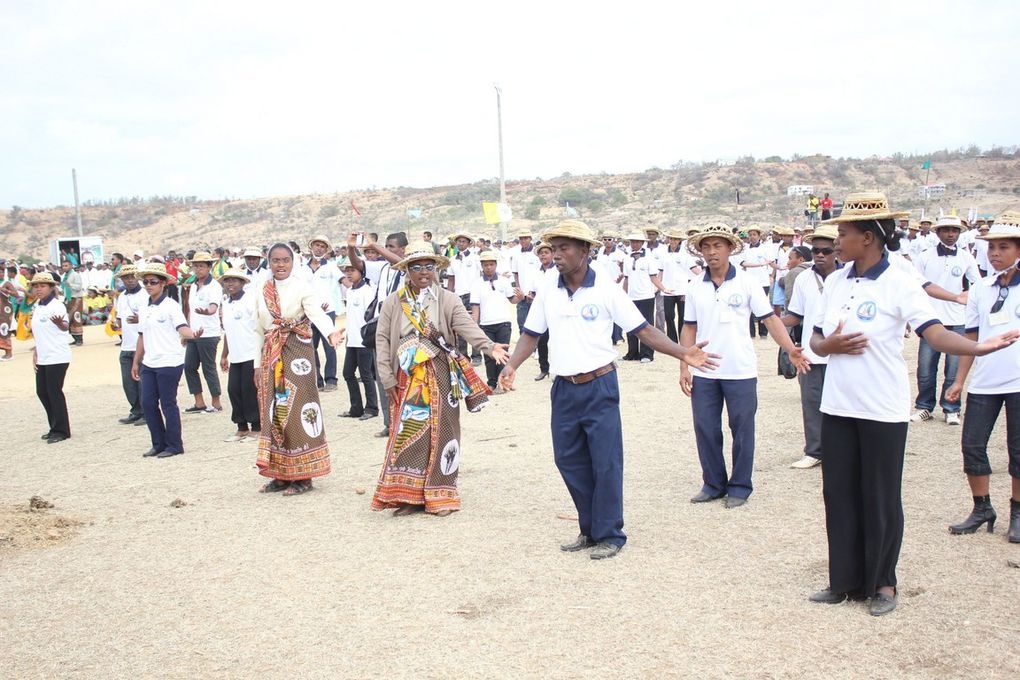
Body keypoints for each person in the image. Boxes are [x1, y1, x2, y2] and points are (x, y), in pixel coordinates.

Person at [806, 192, 1017, 616]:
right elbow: (814, 340)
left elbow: (934, 334)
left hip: (881, 408)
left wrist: (978, 348)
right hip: (839, 407)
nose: (836, 241)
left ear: (868, 237)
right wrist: (829, 345)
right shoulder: (835, 282)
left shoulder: (900, 280)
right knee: (839, 494)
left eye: (842, 233)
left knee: (880, 496)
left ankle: (883, 582)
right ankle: (844, 580)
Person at [498, 220, 719, 559]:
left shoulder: (605, 287)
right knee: (568, 460)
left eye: (564, 248)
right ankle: (588, 528)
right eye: (553, 249)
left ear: (585, 251)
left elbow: (643, 330)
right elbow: (531, 334)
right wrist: (513, 364)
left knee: (605, 461)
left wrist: (681, 352)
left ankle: (610, 533)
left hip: (599, 385)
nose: (556, 255)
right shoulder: (547, 288)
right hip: (564, 388)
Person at [371, 241, 509, 516]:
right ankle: (409, 497)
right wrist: (387, 378)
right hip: (407, 375)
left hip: (442, 373)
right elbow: (383, 339)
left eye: (428, 266)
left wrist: (489, 346)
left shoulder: (447, 299)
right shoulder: (393, 302)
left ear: (436, 269)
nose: (423, 271)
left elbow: (465, 325)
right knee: (409, 433)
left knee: (445, 430)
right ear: (407, 270)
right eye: (416, 266)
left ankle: (441, 493)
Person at [680, 224, 809, 508]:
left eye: (717, 246)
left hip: (740, 370)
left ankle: (739, 486)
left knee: (742, 428)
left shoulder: (747, 282)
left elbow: (770, 320)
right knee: (705, 428)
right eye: (706, 247)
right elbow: (689, 327)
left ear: (729, 248)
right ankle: (713, 483)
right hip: (706, 370)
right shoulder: (695, 287)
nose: (712, 252)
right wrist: (684, 366)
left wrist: (790, 350)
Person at [945, 211, 1020, 543]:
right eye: (991, 248)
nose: (995, 254)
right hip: (985, 381)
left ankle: (1017, 512)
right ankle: (982, 507)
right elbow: (971, 339)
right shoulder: (980, 288)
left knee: (1018, 451)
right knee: (972, 445)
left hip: (1018, 381)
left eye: (1003, 247)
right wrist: (959, 381)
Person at [253, 243, 344, 496]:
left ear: (293, 262)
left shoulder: (302, 286)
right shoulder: (261, 290)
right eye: (275, 260)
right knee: (275, 412)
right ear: (268, 262)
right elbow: (258, 329)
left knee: (298, 409)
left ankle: (303, 476)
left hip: (298, 354)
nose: (280, 265)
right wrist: (256, 366)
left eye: (285, 260)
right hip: (271, 353)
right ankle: (280, 475)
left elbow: (316, 314)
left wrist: (330, 333)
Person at [909, 215, 980, 426]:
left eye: (955, 230)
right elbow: (915, 285)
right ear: (937, 233)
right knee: (926, 368)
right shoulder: (925, 256)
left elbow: (977, 283)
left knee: (953, 367)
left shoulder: (966, 257)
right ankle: (924, 407)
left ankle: (951, 408)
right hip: (931, 319)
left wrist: (969, 297)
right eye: (946, 230)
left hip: (958, 318)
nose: (950, 234)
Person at [783, 227, 841, 468]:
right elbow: (795, 315)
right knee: (811, 402)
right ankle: (815, 451)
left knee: (842, 406)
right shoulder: (804, 279)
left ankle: (842, 452)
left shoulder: (849, 276)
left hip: (841, 355)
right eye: (815, 250)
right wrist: (769, 321)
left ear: (836, 251)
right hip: (811, 352)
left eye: (826, 250)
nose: (819, 255)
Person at [131, 263, 202, 458]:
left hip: (169, 361)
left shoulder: (171, 306)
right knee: (147, 403)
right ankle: (158, 443)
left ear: (163, 283)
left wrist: (193, 335)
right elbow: (141, 336)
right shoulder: (144, 307)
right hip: (150, 362)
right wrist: (136, 361)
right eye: (145, 282)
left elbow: (182, 328)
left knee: (168, 403)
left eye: (153, 282)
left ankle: (174, 445)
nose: (148, 285)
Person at [218, 269, 261, 443]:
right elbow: (228, 331)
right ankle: (241, 427)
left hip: (250, 353)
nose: (231, 284)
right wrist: (224, 355)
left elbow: (259, 328)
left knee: (249, 390)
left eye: (235, 281)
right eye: (227, 281)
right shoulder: (226, 303)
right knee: (233, 390)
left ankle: (257, 427)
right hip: (235, 354)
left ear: (243, 283)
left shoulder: (250, 300)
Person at [30, 273, 72, 444]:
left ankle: (61, 430)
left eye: (42, 286)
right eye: (36, 286)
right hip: (43, 355)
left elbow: (65, 326)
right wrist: (36, 351)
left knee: (54, 392)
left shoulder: (57, 306)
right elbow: (39, 332)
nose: (38, 289)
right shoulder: (38, 306)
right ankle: (54, 425)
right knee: (42, 392)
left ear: (51, 288)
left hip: (57, 356)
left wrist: (59, 324)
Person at [470, 249, 518, 391]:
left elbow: (512, 300)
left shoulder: (504, 281)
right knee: (490, 355)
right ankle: (491, 383)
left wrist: (520, 297)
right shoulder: (477, 284)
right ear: (482, 266)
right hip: (486, 324)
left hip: (503, 322)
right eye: (486, 265)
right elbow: (475, 307)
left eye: (491, 264)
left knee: (503, 354)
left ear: (496, 265)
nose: (489, 267)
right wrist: (474, 325)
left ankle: (503, 381)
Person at [338, 257, 379, 420]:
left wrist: (368, 338)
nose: (348, 273)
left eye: (352, 270)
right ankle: (356, 408)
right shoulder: (349, 291)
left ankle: (372, 408)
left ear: (361, 272)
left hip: (364, 341)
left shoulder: (367, 291)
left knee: (366, 374)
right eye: (346, 270)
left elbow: (370, 318)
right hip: (352, 340)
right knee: (348, 373)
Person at [182, 252, 224, 414]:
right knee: (189, 366)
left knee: (208, 368)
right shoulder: (193, 286)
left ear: (209, 267)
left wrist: (208, 311)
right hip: (194, 332)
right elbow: (190, 310)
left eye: (201, 266)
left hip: (208, 333)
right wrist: (186, 331)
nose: (198, 269)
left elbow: (214, 307)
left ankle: (216, 402)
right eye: (196, 266)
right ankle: (199, 402)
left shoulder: (214, 286)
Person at [304, 235, 342, 392]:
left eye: (322, 246)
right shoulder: (302, 268)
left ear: (327, 250)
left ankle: (331, 380)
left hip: (327, 312)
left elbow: (343, 280)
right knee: (311, 347)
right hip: (308, 314)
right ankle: (317, 380)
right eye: (316, 245)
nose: (319, 248)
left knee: (329, 345)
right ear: (311, 247)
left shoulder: (331, 266)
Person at [622, 231, 665, 363]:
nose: (634, 244)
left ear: (642, 243)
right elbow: (626, 278)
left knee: (646, 326)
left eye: (637, 241)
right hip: (632, 297)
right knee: (630, 324)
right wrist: (623, 295)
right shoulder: (627, 258)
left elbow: (653, 277)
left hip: (646, 296)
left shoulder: (649, 258)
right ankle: (632, 352)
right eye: (632, 242)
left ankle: (647, 353)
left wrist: (663, 288)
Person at [113, 265, 148, 425]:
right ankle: (136, 410)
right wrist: (116, 325)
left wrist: (140, 319)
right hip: (126, 344)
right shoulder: (121, 297)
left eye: (132, 276)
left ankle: (147, 413)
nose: (129, 280)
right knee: (128, 382)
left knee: (142, 382)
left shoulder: (145, 294)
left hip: (141, 344)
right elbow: (120, 318)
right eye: (126, 277)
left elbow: (151, 317)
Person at [529, 242, 559, 379]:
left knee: (556, 340)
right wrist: (530, 296)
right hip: (541, 311)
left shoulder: (558, 270)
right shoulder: (536, 272)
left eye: (546, 252)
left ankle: (557, 369)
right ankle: (544, 369)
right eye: (541, 253)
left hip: (556, 310)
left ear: (552, 254)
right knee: (541, 341)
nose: (543, 255)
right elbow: (533, 291)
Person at [739, 226, 774, 338]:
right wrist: (760, 264)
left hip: (763, 281)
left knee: (762, 306)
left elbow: (771, 262)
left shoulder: (765, 248)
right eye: (750, 234)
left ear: (759, 236)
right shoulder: (745, 249)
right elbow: (743, 263)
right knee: (748, 306)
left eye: (754, 234)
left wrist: (775, 272)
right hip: (749, 281)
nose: (752, 237)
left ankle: (763, 333)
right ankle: (751, 332)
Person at [59, 260, 84, 346]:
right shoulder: (65, 276)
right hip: (68, 299)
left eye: (66, 265)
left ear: (70, 266)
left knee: (76, 317)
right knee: (70, 318)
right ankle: (75, 338)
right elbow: (64, 288)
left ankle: (80, 339)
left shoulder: (75, 275)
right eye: (63, 266)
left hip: (76, 298)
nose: (64, 267)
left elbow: (79, 287)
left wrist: (70, 285)